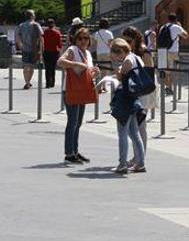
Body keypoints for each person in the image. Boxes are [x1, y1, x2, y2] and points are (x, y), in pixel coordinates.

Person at [105, 38, 147, 174]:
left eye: (116, 55)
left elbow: (120, 77)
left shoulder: (128, 60)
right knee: (134, 133)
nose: (116, 58)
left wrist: (118, 71)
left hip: (125, 99)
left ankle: (122, 164)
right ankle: (141, 163)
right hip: (134, 99)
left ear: (120, 52)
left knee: (122, 133)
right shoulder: (136, 58)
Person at [58, 27, 99, 164]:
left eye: (86, 38)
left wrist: (94, 72)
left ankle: (74, 151)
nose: (83, 41)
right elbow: (60, 61)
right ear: (75, 39)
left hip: (82, 89)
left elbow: (87, 71)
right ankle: (69, 153)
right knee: (72, 122)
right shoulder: (72, 50)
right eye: (80, 38)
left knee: (78, 123)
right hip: (71, 89)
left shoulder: (87, 53)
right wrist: (76, 64)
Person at [122, 26, 157, 157]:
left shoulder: (144, 52)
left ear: (136, 39)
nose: (127, 44)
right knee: (135, 125)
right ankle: (137, 156)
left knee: (140, 125)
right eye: (124, 41)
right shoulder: (128, 52)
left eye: (129, 41)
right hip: (134, 90)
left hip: (144, 91)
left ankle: (139, 157)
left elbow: (148, 74)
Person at [156, 13, 188, 94]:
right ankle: (170, 88)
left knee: (165, 70)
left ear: (168, 19)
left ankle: (167, 87)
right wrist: (180, 26)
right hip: (172, 51)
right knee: (173, 70)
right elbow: (186, 36)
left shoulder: (163, 27)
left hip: (163, 50)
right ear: (176, 20)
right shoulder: (176, 27)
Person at [16, 10, 43, 90]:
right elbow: (41, 37)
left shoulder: (21, 25)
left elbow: (18, 36)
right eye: (34, 14)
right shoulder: (36, 25)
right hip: (34, 48)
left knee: (25, 65)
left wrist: (20, 44)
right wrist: (41, 48)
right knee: (31, 66)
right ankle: (28, 82)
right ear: (31, 16)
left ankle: (27, 82)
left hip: (25, 48)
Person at [42, 19, 63, 88]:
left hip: (46, 51)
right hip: (54, 52)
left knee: (47, 68)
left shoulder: (45, 32)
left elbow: (42, 41)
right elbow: (59, 44)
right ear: (53, 24)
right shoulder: (57, 33)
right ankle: (52, 83)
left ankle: (47, 83)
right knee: (53, 68)